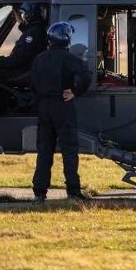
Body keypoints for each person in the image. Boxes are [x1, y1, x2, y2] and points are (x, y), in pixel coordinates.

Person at [31, 21, 93, 203]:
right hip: (62, 106)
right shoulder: (70, 59)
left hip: (44, 108)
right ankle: (73, 191)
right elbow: (86, 76)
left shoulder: (39, 59)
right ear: (66, 39)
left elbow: (32, 84)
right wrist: (74, 91)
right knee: (69, 150)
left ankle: (39, 193)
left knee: (44, 151)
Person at [0, 2, 47, 86]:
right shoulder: (36, 30)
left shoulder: (32, 34)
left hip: (22, 72)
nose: (23, 17)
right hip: (26, 70)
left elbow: (17, 59)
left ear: (30, 14)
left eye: (24, 14)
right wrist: (20, 22)